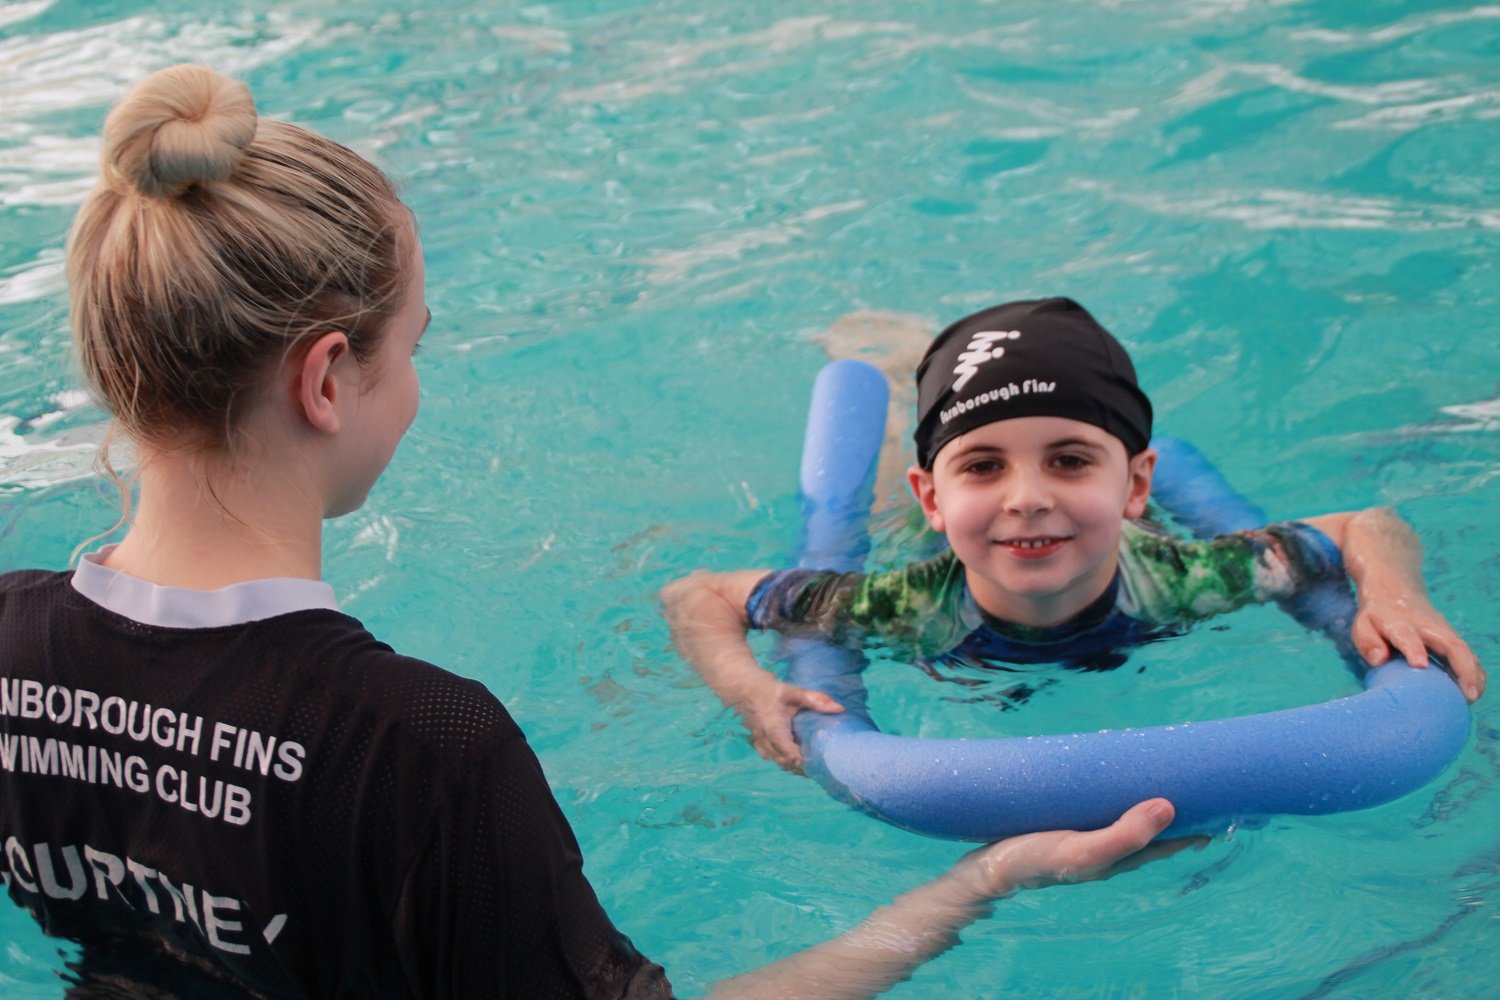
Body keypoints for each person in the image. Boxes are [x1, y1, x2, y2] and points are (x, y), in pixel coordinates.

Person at [0, 65, 1183, 1000]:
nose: (414, 388)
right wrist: (985, 877)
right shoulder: (421, 748)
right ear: (326, 381)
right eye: (411, 346)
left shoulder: (8, 643)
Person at [662, 297, 1485, 773]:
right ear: (940, 496)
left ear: (1132, 486)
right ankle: (891, 364)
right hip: (926, 540)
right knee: (876, 508)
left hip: (1121, 555)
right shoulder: (901, 606)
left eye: (1068, 460)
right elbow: (696, 594)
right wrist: (748, 689)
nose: (1027, 498)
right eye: (983, 467)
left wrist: (1393, 591)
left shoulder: (1187, 579)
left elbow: (1364, 525)